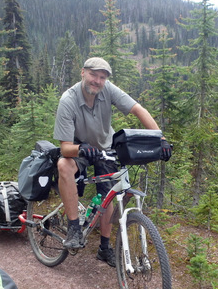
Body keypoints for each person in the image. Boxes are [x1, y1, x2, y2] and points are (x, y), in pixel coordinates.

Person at [53, 57, 172, 267]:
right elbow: (64, 148)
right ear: (83, 72)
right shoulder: (68, 100)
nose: (97, 81)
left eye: (102, 77)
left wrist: (159, 138)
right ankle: (73, 228)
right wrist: (80, 148)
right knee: (64, 165)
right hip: (78, 147)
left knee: (110, 192)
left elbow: (138, 109)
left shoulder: (108, 89)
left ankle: (104, 248)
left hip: (104, 148)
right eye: (93, 75)